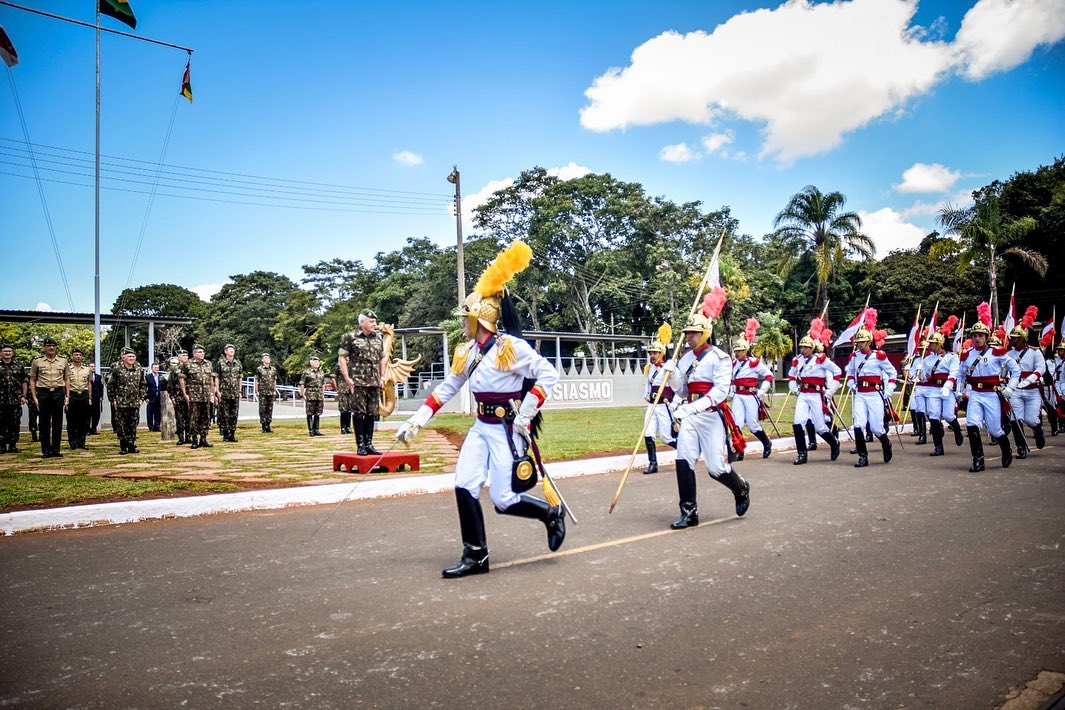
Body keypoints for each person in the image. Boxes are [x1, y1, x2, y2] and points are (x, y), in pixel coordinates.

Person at [396, 241, 566, 578]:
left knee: (503, 500)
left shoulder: (509, 348)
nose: (463, 324)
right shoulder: (467, 352)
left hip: (506, 429)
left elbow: (549, 373)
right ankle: (476, 556)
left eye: (466, 319)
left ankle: (550, 514)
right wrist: (416, 421)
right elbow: (446, 389)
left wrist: (527, 413)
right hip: (480, 427)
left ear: (481, 321)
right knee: (464, 485)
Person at [664, 299, 751, 530]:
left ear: (705, 333)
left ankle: (741, 488)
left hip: (711, 417)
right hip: (690, 417)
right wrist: (672, 375)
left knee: (715, 468)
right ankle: (689, 512)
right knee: (683, 459)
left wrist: (690, 408)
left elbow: (720, 392)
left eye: (693, 333)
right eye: (688, 333)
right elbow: (683, 390)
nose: (689, 337)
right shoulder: (685, 358)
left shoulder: (719, 358)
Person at [956, 303, 1020, 472]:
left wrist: (1011, 388)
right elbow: (961, 374)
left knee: (994, 429)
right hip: (975, 394)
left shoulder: (996, 352)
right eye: (974, 335)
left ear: (986, 336)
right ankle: (978, 460)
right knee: (972, 425)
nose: (977, 338)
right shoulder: (966, 354)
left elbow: (1015, 370)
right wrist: (959, 390)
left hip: (992, 394)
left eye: (980, 335)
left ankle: (1006, 448)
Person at [843, 317, 897, 468]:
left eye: (862, 342)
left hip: (875, 394)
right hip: (860, 393)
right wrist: (851, 382)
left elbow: (892, 373)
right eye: (857, 342)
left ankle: (886, 444)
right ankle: (862, 456)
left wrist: (889, 390)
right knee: (858, 425)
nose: (859, 344)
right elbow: (851, 373)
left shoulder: (878, 356)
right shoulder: (854, 357)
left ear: (869, 342)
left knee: (876, 428)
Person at [787, 321, 841, 465]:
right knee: (797, 423)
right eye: (802, 347)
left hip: (817, 394)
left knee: (820, 426)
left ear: (812, 348)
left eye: (806, 347)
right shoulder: (797, 360)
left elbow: (837, 372)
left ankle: (834, 442)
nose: (803, 349)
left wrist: (831, 390)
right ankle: (802, 454)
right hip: (803, 394)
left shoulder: (821, 360)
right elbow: (791, 376)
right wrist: (793, 388)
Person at [338, 310, 387, 455]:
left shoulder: (378, 337)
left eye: (374, 322)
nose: (374, 324)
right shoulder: (350, 337)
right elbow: (342, 358)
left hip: (374, 381)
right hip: (358, 381)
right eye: (371, 322)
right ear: (362, 322)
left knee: (372, 413)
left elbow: (383, 357)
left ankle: (369, 443)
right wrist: (347, 378)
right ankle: (360, 444)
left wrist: (382, 376)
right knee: (359, 413)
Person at [729, 319, 774, 461]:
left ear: (746, 350)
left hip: (750, 394)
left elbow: (768, 375)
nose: (737, 353)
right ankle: (740, 450)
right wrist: (730, 391)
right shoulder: (733, 363)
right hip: (737, 395)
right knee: (737, 424)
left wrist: (762, 391)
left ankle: (766, 443)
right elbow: (730, 379)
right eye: (736, 351)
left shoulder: (754, 362)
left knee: (753, 424)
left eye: (740, 351)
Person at [921, 318, 964, 456]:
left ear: (940, 343)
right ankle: (938, 446)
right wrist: (917, 374)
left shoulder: (952, 357)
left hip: (947, 389)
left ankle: (957, 429)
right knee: (933, 416)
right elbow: (925, 376)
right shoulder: (927, 359)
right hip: (933, 389)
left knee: (948, 415)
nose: (931, 345)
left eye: (933, 343)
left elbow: (954, 373)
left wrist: (948, 386)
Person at [642, 324, 677, 474]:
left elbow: (676, 386)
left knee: (666, 437)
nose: (652, 355)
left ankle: (687, 451)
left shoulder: (668, 367)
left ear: (662, 353)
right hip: (652, 404)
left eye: (655, 352)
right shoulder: (650, 368)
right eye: (651, 353)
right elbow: (647, 384)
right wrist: (646, 394)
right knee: (648, 433)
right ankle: (653, 463)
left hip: (663, 405)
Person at [29, 336, 69, 458]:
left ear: (56, 347)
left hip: (58, 392)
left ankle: (56, 449)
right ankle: (45, 449)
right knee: (44, 422)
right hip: (43, 393)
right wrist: (35, 397)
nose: (51, 348)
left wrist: (67, 395)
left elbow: (66, 379)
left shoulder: (63, 361)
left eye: (53, 346)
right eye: (48, 346)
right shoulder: (37, 362)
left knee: (58, 421)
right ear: (44, 348)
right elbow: (32, 379)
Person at [106, 347, 148, 454]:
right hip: (121, 401)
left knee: (133, 423)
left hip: (134, 401)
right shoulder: (116, 367)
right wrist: (112, 399)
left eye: (133, 356)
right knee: (121, 424)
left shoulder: (138, 367)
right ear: (123, 357)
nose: (131, 358)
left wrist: (142, 397)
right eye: (129, 356)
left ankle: (131, 444)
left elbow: (142, 384)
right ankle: (123, 445)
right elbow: (110, 384)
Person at [179, 344, 215, 449]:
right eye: (199, 352)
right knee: (193, 418)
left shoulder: (208, 364)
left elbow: (210, 380)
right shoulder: (188, 364)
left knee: (206, 417)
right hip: (194, 395)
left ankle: (203, 438)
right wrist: (185, 394)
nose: (202, 354)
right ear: (194, 353)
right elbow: (182, 379)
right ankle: (194, 439)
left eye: (203, 352)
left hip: (206, 395)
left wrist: (212, 393)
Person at [0, 343, 28, 453]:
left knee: (15, 423)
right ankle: (1, 446)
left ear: (13, 353)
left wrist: (23, 396)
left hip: (15, 399)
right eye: (5, 351)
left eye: (9, 351)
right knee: (1, 423)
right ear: (1, 352)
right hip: (1, 400)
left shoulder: (19, 365)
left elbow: (24, 382)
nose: (7, 353)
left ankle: (13, 445)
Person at [214, 344, 243, 442]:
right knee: (224, 414)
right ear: (225, 351)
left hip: (234, 393)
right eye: (229, 350)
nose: (231, 351)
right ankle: (225, 434)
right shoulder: (220, 363)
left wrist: (239, 391)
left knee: (234, 414)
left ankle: (232, 434)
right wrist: (217, 391)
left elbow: (240, 378)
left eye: (233, 350)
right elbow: (217, 377)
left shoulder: (238, 364)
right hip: (224, 392)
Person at [65, 347, 92, 450]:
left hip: (84, 395)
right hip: (72, 394)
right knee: (71, 420)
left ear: (82, 357)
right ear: (72, 356)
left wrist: (90, 397)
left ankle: (82, 442)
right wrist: (66, 397)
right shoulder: (67, 368)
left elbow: (89, 383)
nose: (78, 356)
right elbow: (65, 382)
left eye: (80, 355)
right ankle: (72, 443)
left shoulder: (87, 369)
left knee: (83, 420)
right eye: (76, 355)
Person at [299, 356, 325, 436]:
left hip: (319, 394)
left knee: (318, 412)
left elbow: (323, 383)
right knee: (310, 412)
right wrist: (302, 394)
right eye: (315, 362)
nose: (317, 363)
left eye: (318, 362)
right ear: (311, 363)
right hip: (310, 394)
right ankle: (311, 430)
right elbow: (302, 383)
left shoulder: (321, 372)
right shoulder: (306, 372)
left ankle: (316, 429)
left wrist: (323, 393)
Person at [255, 353, 279, 433]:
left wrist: (275, 390)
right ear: (262, 360)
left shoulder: (273, 369)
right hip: (262, 391)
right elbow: (257, 380)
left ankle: (268, 425)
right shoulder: (259, 369)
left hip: (271, 391)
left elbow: (274, 380)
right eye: (265, 358)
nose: (267, 359)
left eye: (268, 357)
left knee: (269, 408)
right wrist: (257, 390)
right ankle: (263, 425)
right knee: (262, 409)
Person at [172, 349, 190, 445]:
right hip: (179, 397)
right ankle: (180, 438)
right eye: (183, 356)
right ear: (179, 357)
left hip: (190, 397)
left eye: (186, 356)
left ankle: (188, 437)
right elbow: (170, 384)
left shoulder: (191, 368)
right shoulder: (175, 370)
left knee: (189, 418)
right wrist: (172, 397)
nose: (185, 357)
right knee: (179, 419)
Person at [334, 361, 354, 435]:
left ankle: (348, 427)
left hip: (351, 389)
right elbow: (333, 377)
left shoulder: (353, 364)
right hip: (342, 388)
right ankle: (343, 427)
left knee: (349, 408)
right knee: (343, 408)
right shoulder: (339, 364)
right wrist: (336, 388)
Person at [145, 362, 162, 432]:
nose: (156, 369)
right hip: (151, 397)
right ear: (152, 368)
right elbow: (144, 388)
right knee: (150, 413)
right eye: (155, 368)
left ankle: (157, 426)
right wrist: (145, 398)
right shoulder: (148, 377)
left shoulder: (161, 377)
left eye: (157, 368)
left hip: (159, 397)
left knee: (158, 413)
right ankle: (150, 427)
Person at [88, 363, 103, 435]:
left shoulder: (98, 377)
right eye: (91, 366)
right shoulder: (86, 376)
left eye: (94, 366)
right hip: (88, 398)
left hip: (97, 398)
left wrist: (101, 397)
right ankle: (87, 430)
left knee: (96, 414)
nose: (93, 368)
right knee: (88, 414)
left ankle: (94, 429)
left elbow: (101, 387)